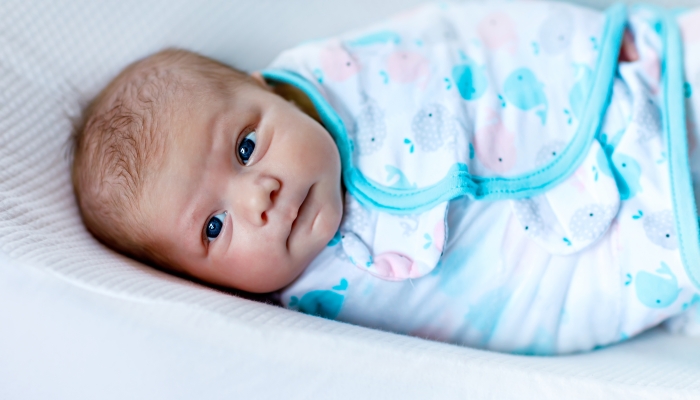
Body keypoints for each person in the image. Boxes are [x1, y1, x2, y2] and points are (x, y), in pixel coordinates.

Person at [72, 1, 700, 354]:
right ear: (198, 282)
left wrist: (583, 57)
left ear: (272, 93)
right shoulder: (301, 325)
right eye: (214, 226)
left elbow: (458, 43)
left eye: (244, 146)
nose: (258, 196)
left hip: (632, 86)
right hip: (624, 257)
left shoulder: (346, 78)